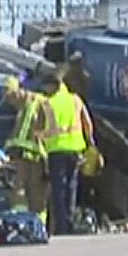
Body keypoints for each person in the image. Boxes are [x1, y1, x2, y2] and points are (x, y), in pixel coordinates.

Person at [40, 75, 94, 236]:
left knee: (58, 189)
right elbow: (87, 123)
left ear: (52, 86)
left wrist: (40, 137)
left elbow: (46, 129)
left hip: (56, 151)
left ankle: (61, 226)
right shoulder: (76, 100)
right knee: (72, 187)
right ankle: (69, 223)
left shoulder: (48, 103)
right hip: (76, 149)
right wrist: (90, 143)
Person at [1, 77, 49, 224]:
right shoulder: (30, 103)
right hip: (32, 153)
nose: (8, 100)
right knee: (31, 190)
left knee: (22, 188)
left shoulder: (31, 100)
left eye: (8, 95)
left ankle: (27, 221)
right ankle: (33, 222)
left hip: (27, 152)